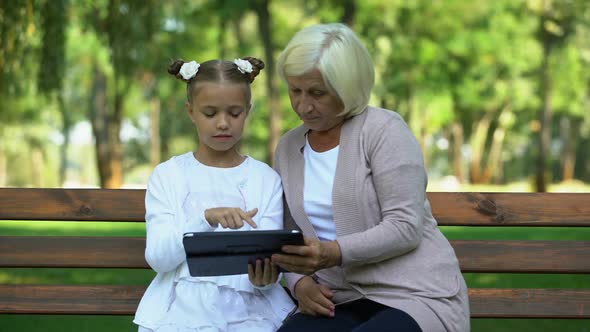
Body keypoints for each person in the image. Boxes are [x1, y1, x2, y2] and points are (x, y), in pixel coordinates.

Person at [270, 23, 470, 332]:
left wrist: (332, 253)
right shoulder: (288, 147)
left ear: (347, 87)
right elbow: (289, 232)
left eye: (317, 93)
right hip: (339, 298)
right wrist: (299, 284)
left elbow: (404, 226)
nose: (303, 105)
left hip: (413, 293)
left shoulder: (384, 130)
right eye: (295, 90)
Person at [133, 57, 295, 332]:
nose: (223, 123)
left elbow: (269, 259)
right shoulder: (169, 175)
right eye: (210, 113)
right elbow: (159, 259)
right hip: (182, 310)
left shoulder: (265, 179)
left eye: (234, 113)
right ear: (191, 111)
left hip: (250, 310)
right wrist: (204, 219)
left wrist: (266, 276)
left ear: (248, 111)